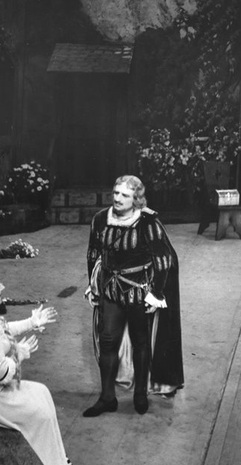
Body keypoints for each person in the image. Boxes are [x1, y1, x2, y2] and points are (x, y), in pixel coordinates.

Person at [0, 258, 72, 465]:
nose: (3, 288)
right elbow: (2, 374)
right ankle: (46, 461)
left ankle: (56, 459)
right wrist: (19, 354)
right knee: (40, 413)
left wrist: (32, 322)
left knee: (42, 391)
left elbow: (0, 331)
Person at [83, 175, 184, 417]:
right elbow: (93, 254)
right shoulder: (100, 220)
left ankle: (140, 395)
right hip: (109, 289)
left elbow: (163, 260)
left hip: (138, 292)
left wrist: (156, 294)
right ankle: (107, 398)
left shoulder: (148, 223)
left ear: (136, 199)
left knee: (141, 342)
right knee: (108, 341)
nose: (118, 198)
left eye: (125, 195)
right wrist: (93, 285)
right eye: (116, 193)